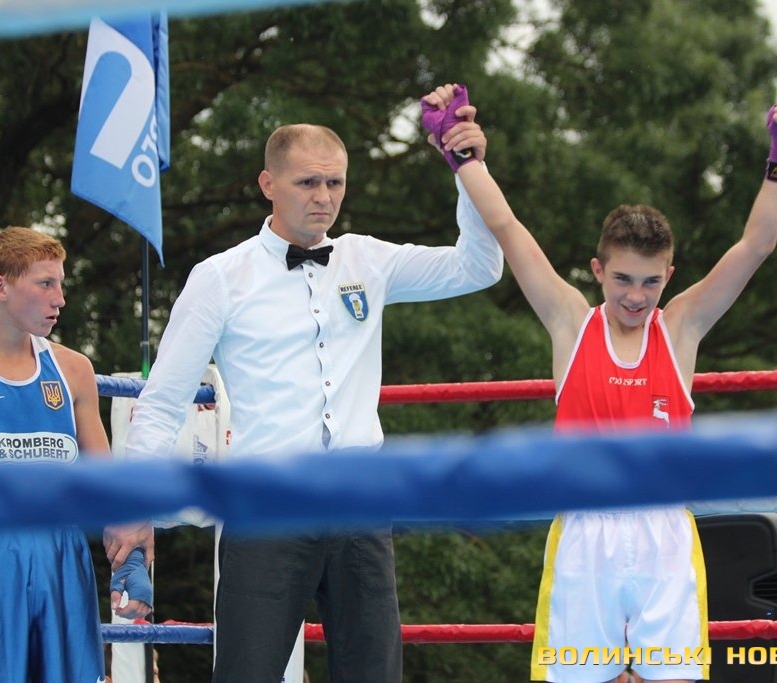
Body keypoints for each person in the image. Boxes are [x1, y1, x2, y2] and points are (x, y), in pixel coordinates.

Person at [421, 84, 777, 683]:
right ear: (598, 270)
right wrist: (462, 155)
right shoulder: (570, 321)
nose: (635, 296)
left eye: (650, 282)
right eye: (623, 279)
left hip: (664, 536)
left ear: (668, 276)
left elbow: (756, 246)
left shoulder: (680, 328)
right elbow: (506, 225)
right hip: (585, 535)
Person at [105, 122, 504, 682]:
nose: (324, 196)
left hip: (360, 499)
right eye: (308, 182)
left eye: (335, 182)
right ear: (268, 184)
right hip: (267, 501)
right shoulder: (221, 277)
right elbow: (164, 398)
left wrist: (468, 169)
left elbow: (480, 266)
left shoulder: (368, 260)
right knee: (247, 675)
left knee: (374, 675)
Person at [0, 226, 152, 682]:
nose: (60, 299)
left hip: (64, 560)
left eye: (61, 284)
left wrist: (131, 558)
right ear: (0, 286)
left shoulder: (73, 370)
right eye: (45, 284)